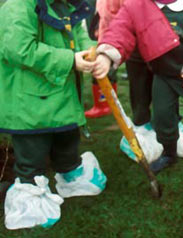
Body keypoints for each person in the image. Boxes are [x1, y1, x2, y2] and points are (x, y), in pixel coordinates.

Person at [0, 0, 107, 230]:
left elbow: (79, 35)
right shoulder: (18, 6)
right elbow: (18, 49)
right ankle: (29, 191)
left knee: (67, 139)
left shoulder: (64, 5)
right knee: (32, 152)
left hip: (62, 97)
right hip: (30, 103)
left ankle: (69, 172)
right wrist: (69, 60)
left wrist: (91, 53)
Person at [92, 0, 183, 174]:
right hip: (163, 73)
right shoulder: (138, 5)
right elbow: (120, 28)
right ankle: (169, 153)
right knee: (163, 116)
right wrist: (106, 54)